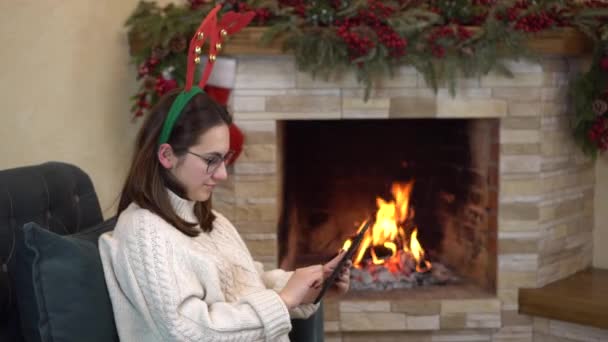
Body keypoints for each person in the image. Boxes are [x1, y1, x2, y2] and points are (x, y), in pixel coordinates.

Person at [98, 88, 351, 342]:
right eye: (211, 160)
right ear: (167, 155)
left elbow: (249, 285)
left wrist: (311, 287)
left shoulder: (213, 222)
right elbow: (187, 330)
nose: (222, 175)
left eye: (224, 159)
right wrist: (283, 300)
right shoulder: (145, 232)